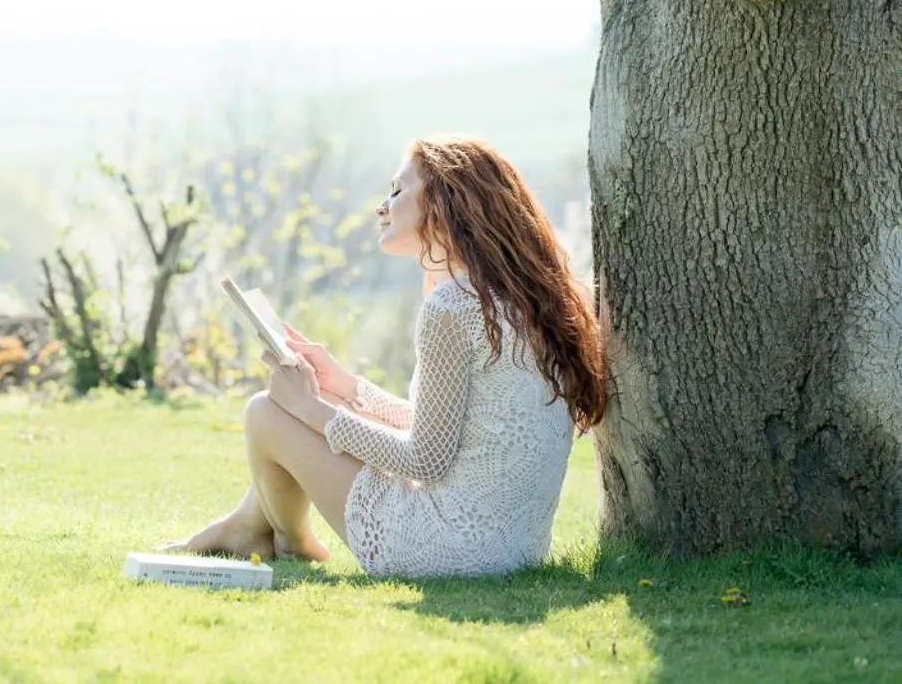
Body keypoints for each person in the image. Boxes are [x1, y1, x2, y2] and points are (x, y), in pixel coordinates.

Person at [168, 134, 610, 577]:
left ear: (445, 204)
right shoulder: (527, 301)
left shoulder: (453, 306)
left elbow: (425, 460)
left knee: (266, 411)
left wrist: (310, 407)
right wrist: (345, 388)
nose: (382, 205)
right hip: (513, 550)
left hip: (446, 548)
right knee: (315, 406)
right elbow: (451, 433)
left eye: (398, 191)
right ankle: (250, 526)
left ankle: (287, 540)